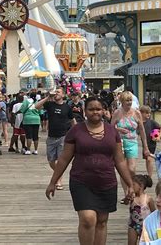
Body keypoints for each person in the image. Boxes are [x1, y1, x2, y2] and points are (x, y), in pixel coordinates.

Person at [46, 96, 134, 245]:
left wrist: (130, 184)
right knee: (88, 219)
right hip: (82, 182)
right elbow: (64, 159)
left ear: (104, 111)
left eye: (98, 109)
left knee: (101, 221)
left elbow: (119, 160)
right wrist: (53, 182)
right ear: (85, 111)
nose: (95, 112)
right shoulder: (76, 131)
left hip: (106, 182)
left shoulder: (112, 131)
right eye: (91, 109)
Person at [111, 91, 150, 203]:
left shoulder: (136, 113)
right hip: (119, 143)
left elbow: (141, 130)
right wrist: (118, 129)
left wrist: (145, 147)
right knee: (122, 169)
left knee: (131, 169)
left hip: (132, 141)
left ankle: (133, 188)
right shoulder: (117, 113)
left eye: (130, 101)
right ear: (122, 102)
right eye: (126, 101)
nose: (129, 103)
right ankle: (126, 193)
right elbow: (110, 128)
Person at [36, 87, 76, 190]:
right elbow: (37, 106)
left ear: (63, 95)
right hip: (51, 137)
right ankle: (58, 172)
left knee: (60, 160)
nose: (56, 94)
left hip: (63, 136)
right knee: (51, 160)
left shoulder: (67, 107)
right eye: (56, 92)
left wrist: (76, 132)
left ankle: (58, 180)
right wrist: (48, 97)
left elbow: (72, 120)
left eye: (58, 92)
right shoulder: (50, 105)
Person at [128, 174, 155, 245]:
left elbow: (154, 213)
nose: (131, 187)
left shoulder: (148, 199)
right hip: (133, 225)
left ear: (141, 186)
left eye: (133, 185)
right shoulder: (132, 198)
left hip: (145, 226)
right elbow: (124, 202)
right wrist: (127, 197)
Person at [140, 105, 161, 178]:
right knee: (147, 159)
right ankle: (148, 174)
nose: (148, 114)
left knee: (149, 159)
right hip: (144, 144)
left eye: (149, 113)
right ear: (141, 113)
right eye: (146, 113)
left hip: (152, 143)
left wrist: (159, 136)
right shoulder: (139, 122)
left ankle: (149, 176)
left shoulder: (151, 122)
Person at [19, 90, 41, 154]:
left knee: (29, 135)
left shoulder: (26, 101)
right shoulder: (38, 102)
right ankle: (36, 150)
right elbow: (40, 112)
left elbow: (22, 109)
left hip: (27, 120)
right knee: (35, 136)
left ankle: (28, 150)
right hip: (36, 120)